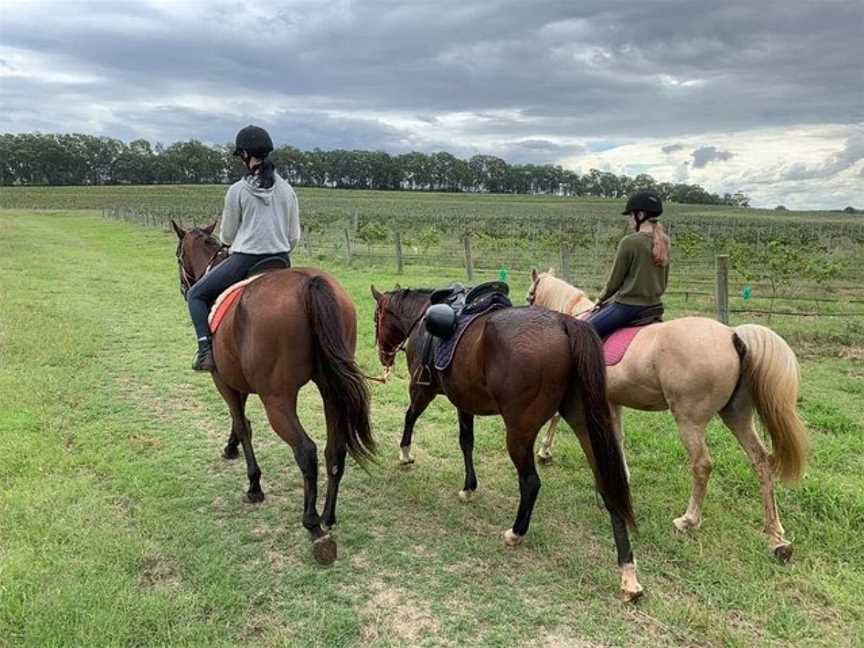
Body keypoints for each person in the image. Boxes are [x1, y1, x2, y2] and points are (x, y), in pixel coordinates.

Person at [187, 125, 300, 371]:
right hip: (281, 261)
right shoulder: (288, 190)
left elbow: (226, 235)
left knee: (195, 295)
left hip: (246, 260)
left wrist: (232, 244)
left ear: (245, 155)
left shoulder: (237, 191)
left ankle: (206, 351)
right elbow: (293, 237)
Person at [586, 188, 670, 338]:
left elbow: (615, 281)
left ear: (641, 215)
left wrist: (601, 299)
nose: (629, 219)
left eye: (631, 215)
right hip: (655, 306)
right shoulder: (664, 241)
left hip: (629, 307)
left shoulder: (630, 242)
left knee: (585, 331)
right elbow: (664, 279)